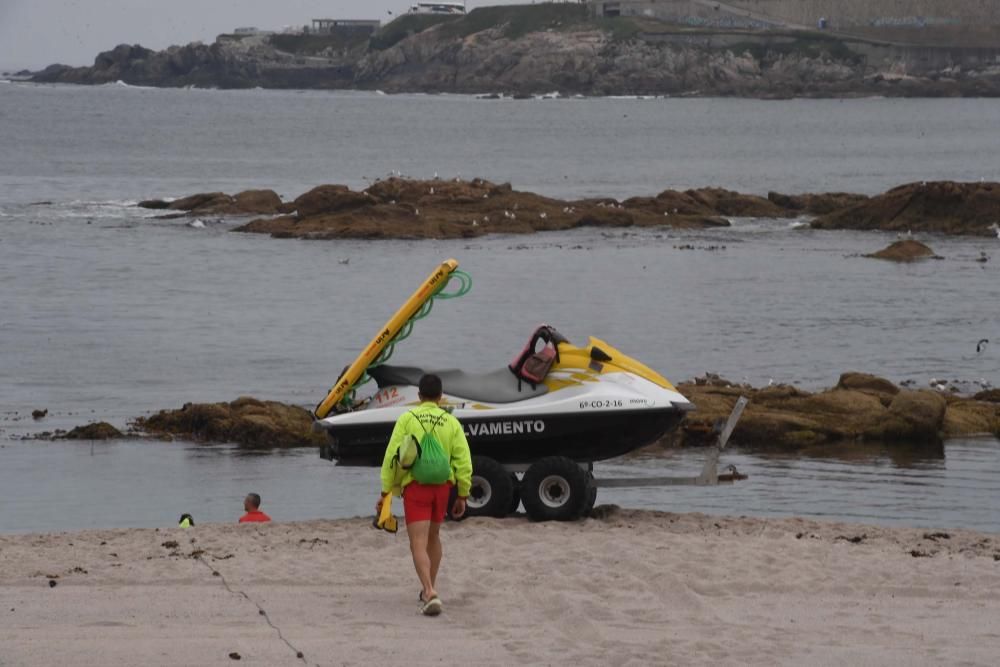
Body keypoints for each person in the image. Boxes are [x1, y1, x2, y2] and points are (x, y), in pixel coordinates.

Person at [377, 374, 472, 617]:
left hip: (416, 487)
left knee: (417, 542)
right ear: (441, 397)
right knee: (434, 537)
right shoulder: (451, 422)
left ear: (418, 396)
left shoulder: (408, 418)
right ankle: (429, 588)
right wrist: (462, 493)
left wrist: (386, 491)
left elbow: (392, 456)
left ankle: (429, 591)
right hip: (442, 487)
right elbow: (463, 459)